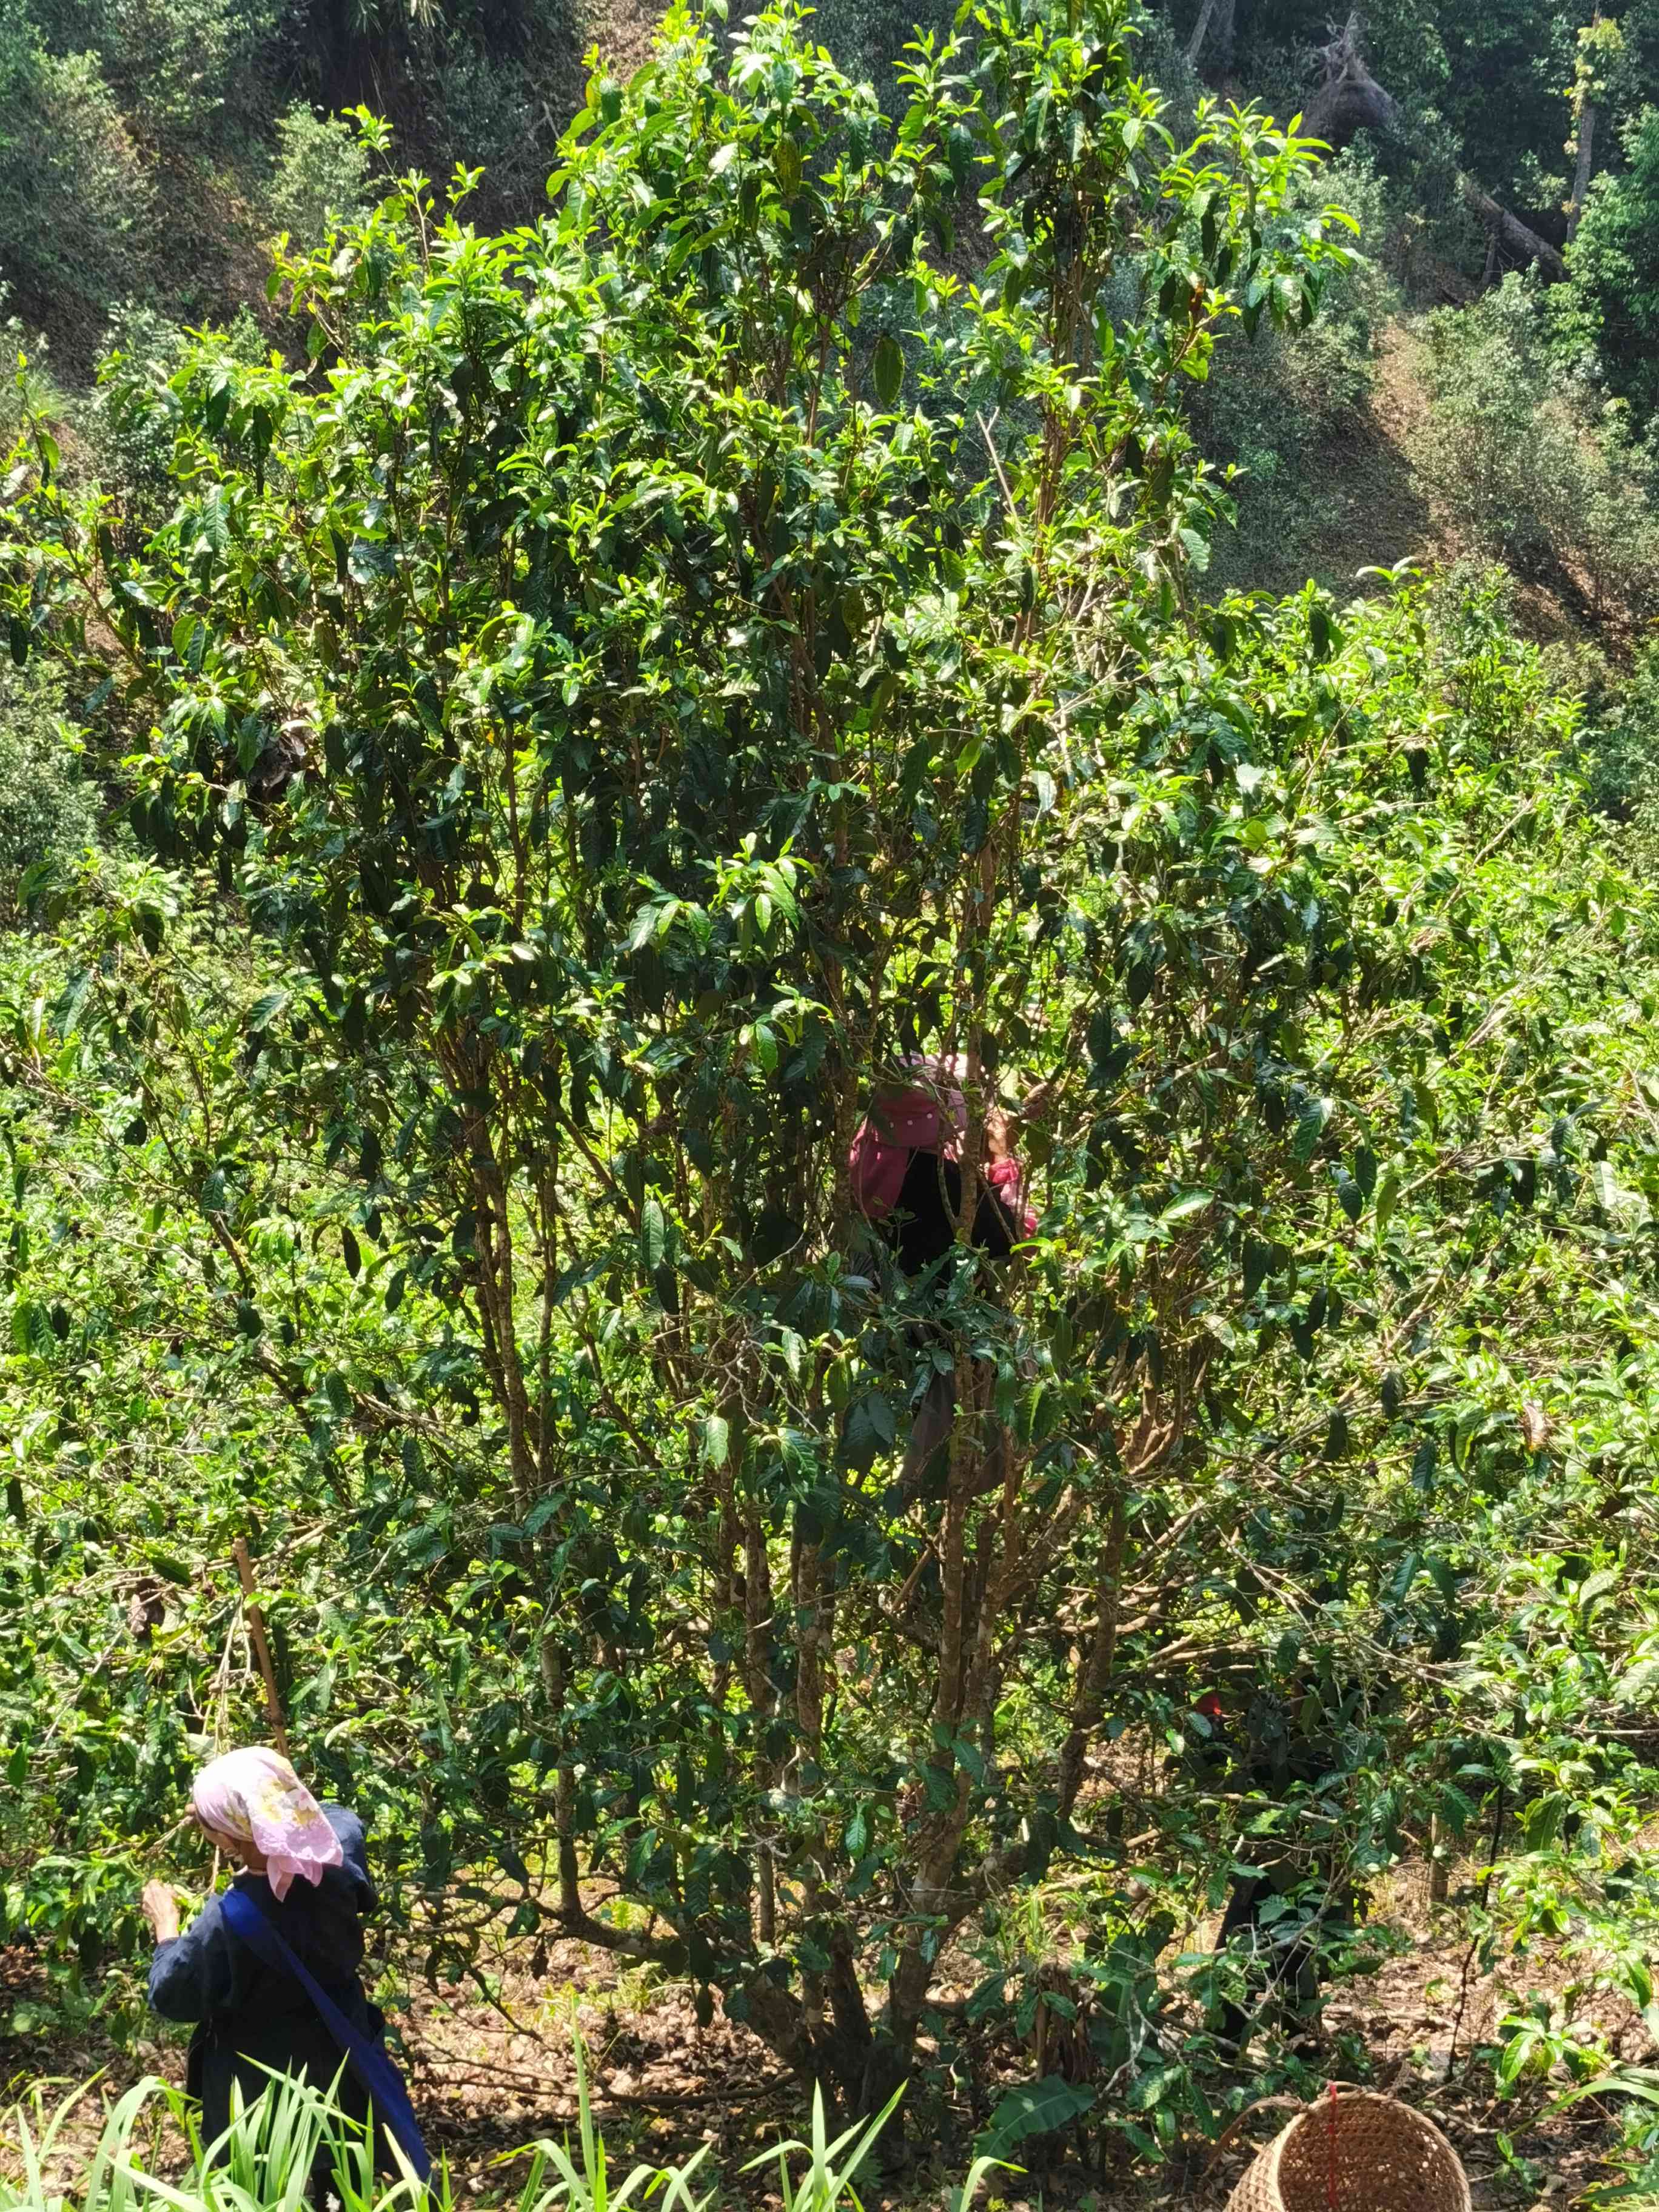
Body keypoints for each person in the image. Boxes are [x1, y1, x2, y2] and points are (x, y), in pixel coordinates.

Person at [141, 1746, 392, 2184]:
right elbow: (333, 1814)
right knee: (341, 2182)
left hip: (265, 2099)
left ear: (225, 1838)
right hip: (343, 2068)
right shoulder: (338, 1854)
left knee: (274, 2190)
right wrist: (266, 1796)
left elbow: (171, 1992)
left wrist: (166, 1929)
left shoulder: (230, 1921)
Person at [848, 1053, 1041, 1496]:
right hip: (942, 1331)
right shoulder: (943, 1182)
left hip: (885, 1316)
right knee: (1022, 1358)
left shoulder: (867, 1157)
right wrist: (1002, 1159)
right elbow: (1021, 1238)